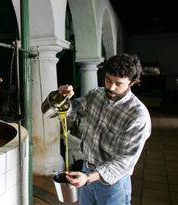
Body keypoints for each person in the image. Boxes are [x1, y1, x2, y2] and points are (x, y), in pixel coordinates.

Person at [58, 53, 151, 205]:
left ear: (132, 82)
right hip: (86, 169)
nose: (111, 87)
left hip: (112, 183)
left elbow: (124, 162)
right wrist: (62, 99)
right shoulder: (97, 94)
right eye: (108, 79)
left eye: (118, 83)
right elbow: (73, 112)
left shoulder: (137, 116)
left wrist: (89, 178)